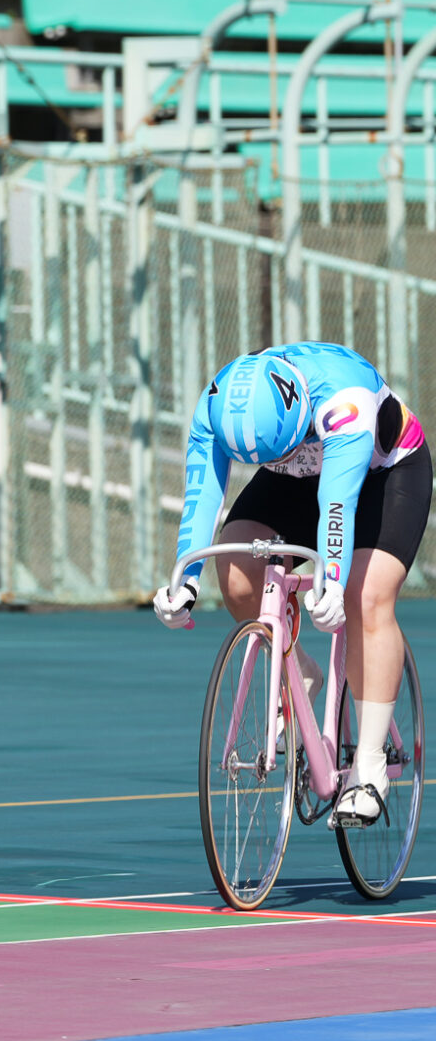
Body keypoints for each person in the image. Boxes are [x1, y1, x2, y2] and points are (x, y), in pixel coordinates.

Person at [155, 343, 430, 825]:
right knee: (238, 564)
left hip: (382, 471)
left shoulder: (343, 398)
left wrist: (331, 581)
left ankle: (369, 767)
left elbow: (338, 505)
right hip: (297, 472)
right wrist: (186, 582)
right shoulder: (217, 405)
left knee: (365, 597)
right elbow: (202, 497)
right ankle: (299, 670)